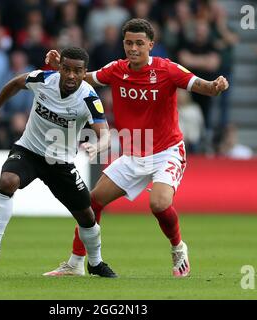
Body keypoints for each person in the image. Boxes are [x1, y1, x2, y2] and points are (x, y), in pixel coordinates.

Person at [44, 18, 229, 278]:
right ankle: (75, 263)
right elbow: (85, 78)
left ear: (151, 45)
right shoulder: (116, 69)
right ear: (123, 43)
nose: (133, 48)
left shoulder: (167, 69)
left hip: (167, 150)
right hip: (134, 152)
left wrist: (215, 86)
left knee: (159, 203)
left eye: (139, 43)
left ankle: (178, 248)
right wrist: (60, 68)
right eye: (129, 43)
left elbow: (201, 86)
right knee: (91, 202)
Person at [0, 47, 117, 278]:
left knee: (87, 217)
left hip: (60, 163)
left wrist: (98, 146)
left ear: (84, 72)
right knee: (8, 181)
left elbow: (105, 134)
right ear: (59, 69)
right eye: (66, 69)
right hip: (28, 150)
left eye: (77, 71)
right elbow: (16, 83)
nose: (71, 76)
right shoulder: (43, 79)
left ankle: (96, 263)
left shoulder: (89, 97)